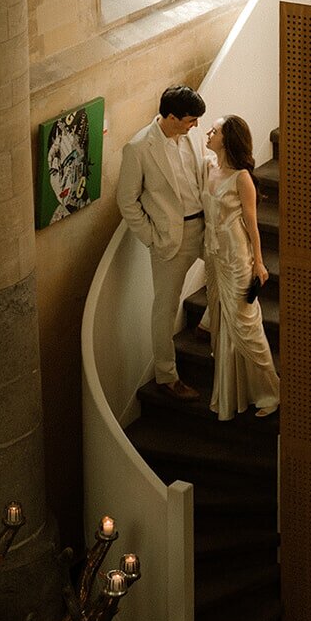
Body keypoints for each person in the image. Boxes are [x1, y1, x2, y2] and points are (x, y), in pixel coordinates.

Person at [118, 85, 207, 402]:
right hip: (169, 240)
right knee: (164, 310)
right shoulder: (139, 148)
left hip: (204, 227)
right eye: (190, 120)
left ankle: (207, 324)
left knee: (235, 273)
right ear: (171, 117)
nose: (195, 126)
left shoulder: (192, 137)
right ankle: (167, 376)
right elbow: (127, 202)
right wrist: (151, 238)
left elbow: (203, 168)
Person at [203, 115, 279, 421]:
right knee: (223, 321)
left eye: (216, 130)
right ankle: (234, 394)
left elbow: (252, 224)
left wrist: (259, 262)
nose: (209, 132)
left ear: (227, 138)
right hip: (214, 254)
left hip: (237, 256)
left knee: (245, 326)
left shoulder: (242, 179)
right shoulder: (208, 167)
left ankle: (272, 391)